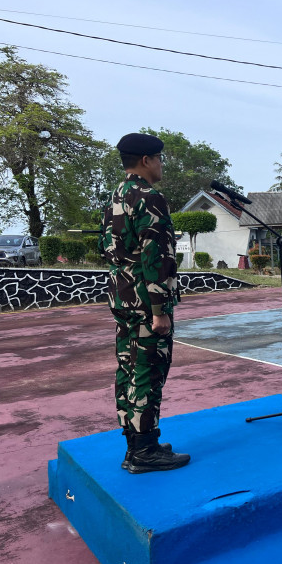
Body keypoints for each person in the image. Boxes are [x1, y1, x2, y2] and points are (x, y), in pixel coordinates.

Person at [99, 132, 189, 474]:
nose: (161, 165)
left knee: (127, 368)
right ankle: (145, 452)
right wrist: (159, 309)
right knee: (149, 372)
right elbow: (157, 256)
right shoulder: (150, 198)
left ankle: (136, 442)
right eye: (159, 159)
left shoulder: (117, 195)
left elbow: (109, 249)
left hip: (121, 296)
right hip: (144, 301)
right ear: (147, 160)